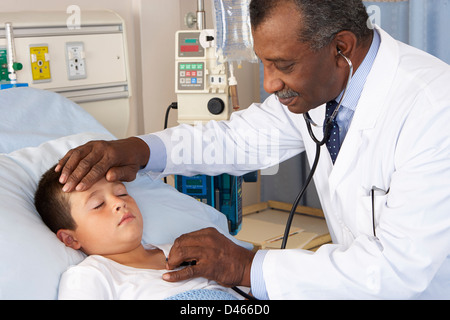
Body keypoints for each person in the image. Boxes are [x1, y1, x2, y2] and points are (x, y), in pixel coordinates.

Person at [55, 0, 450, 299]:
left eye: (283, 65)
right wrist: (142, 149)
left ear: (340, 49)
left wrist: (246, 266)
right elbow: (238, 139)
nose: (270, 84)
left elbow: (399, 269)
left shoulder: (433, 108)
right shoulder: (94, 278)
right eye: (264, 63)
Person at [34, 165, 243, 300]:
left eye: (122, 193)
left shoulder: (183, 249)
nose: (119, 202)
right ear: (70, 239)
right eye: (98, 204)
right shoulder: (91, 276)